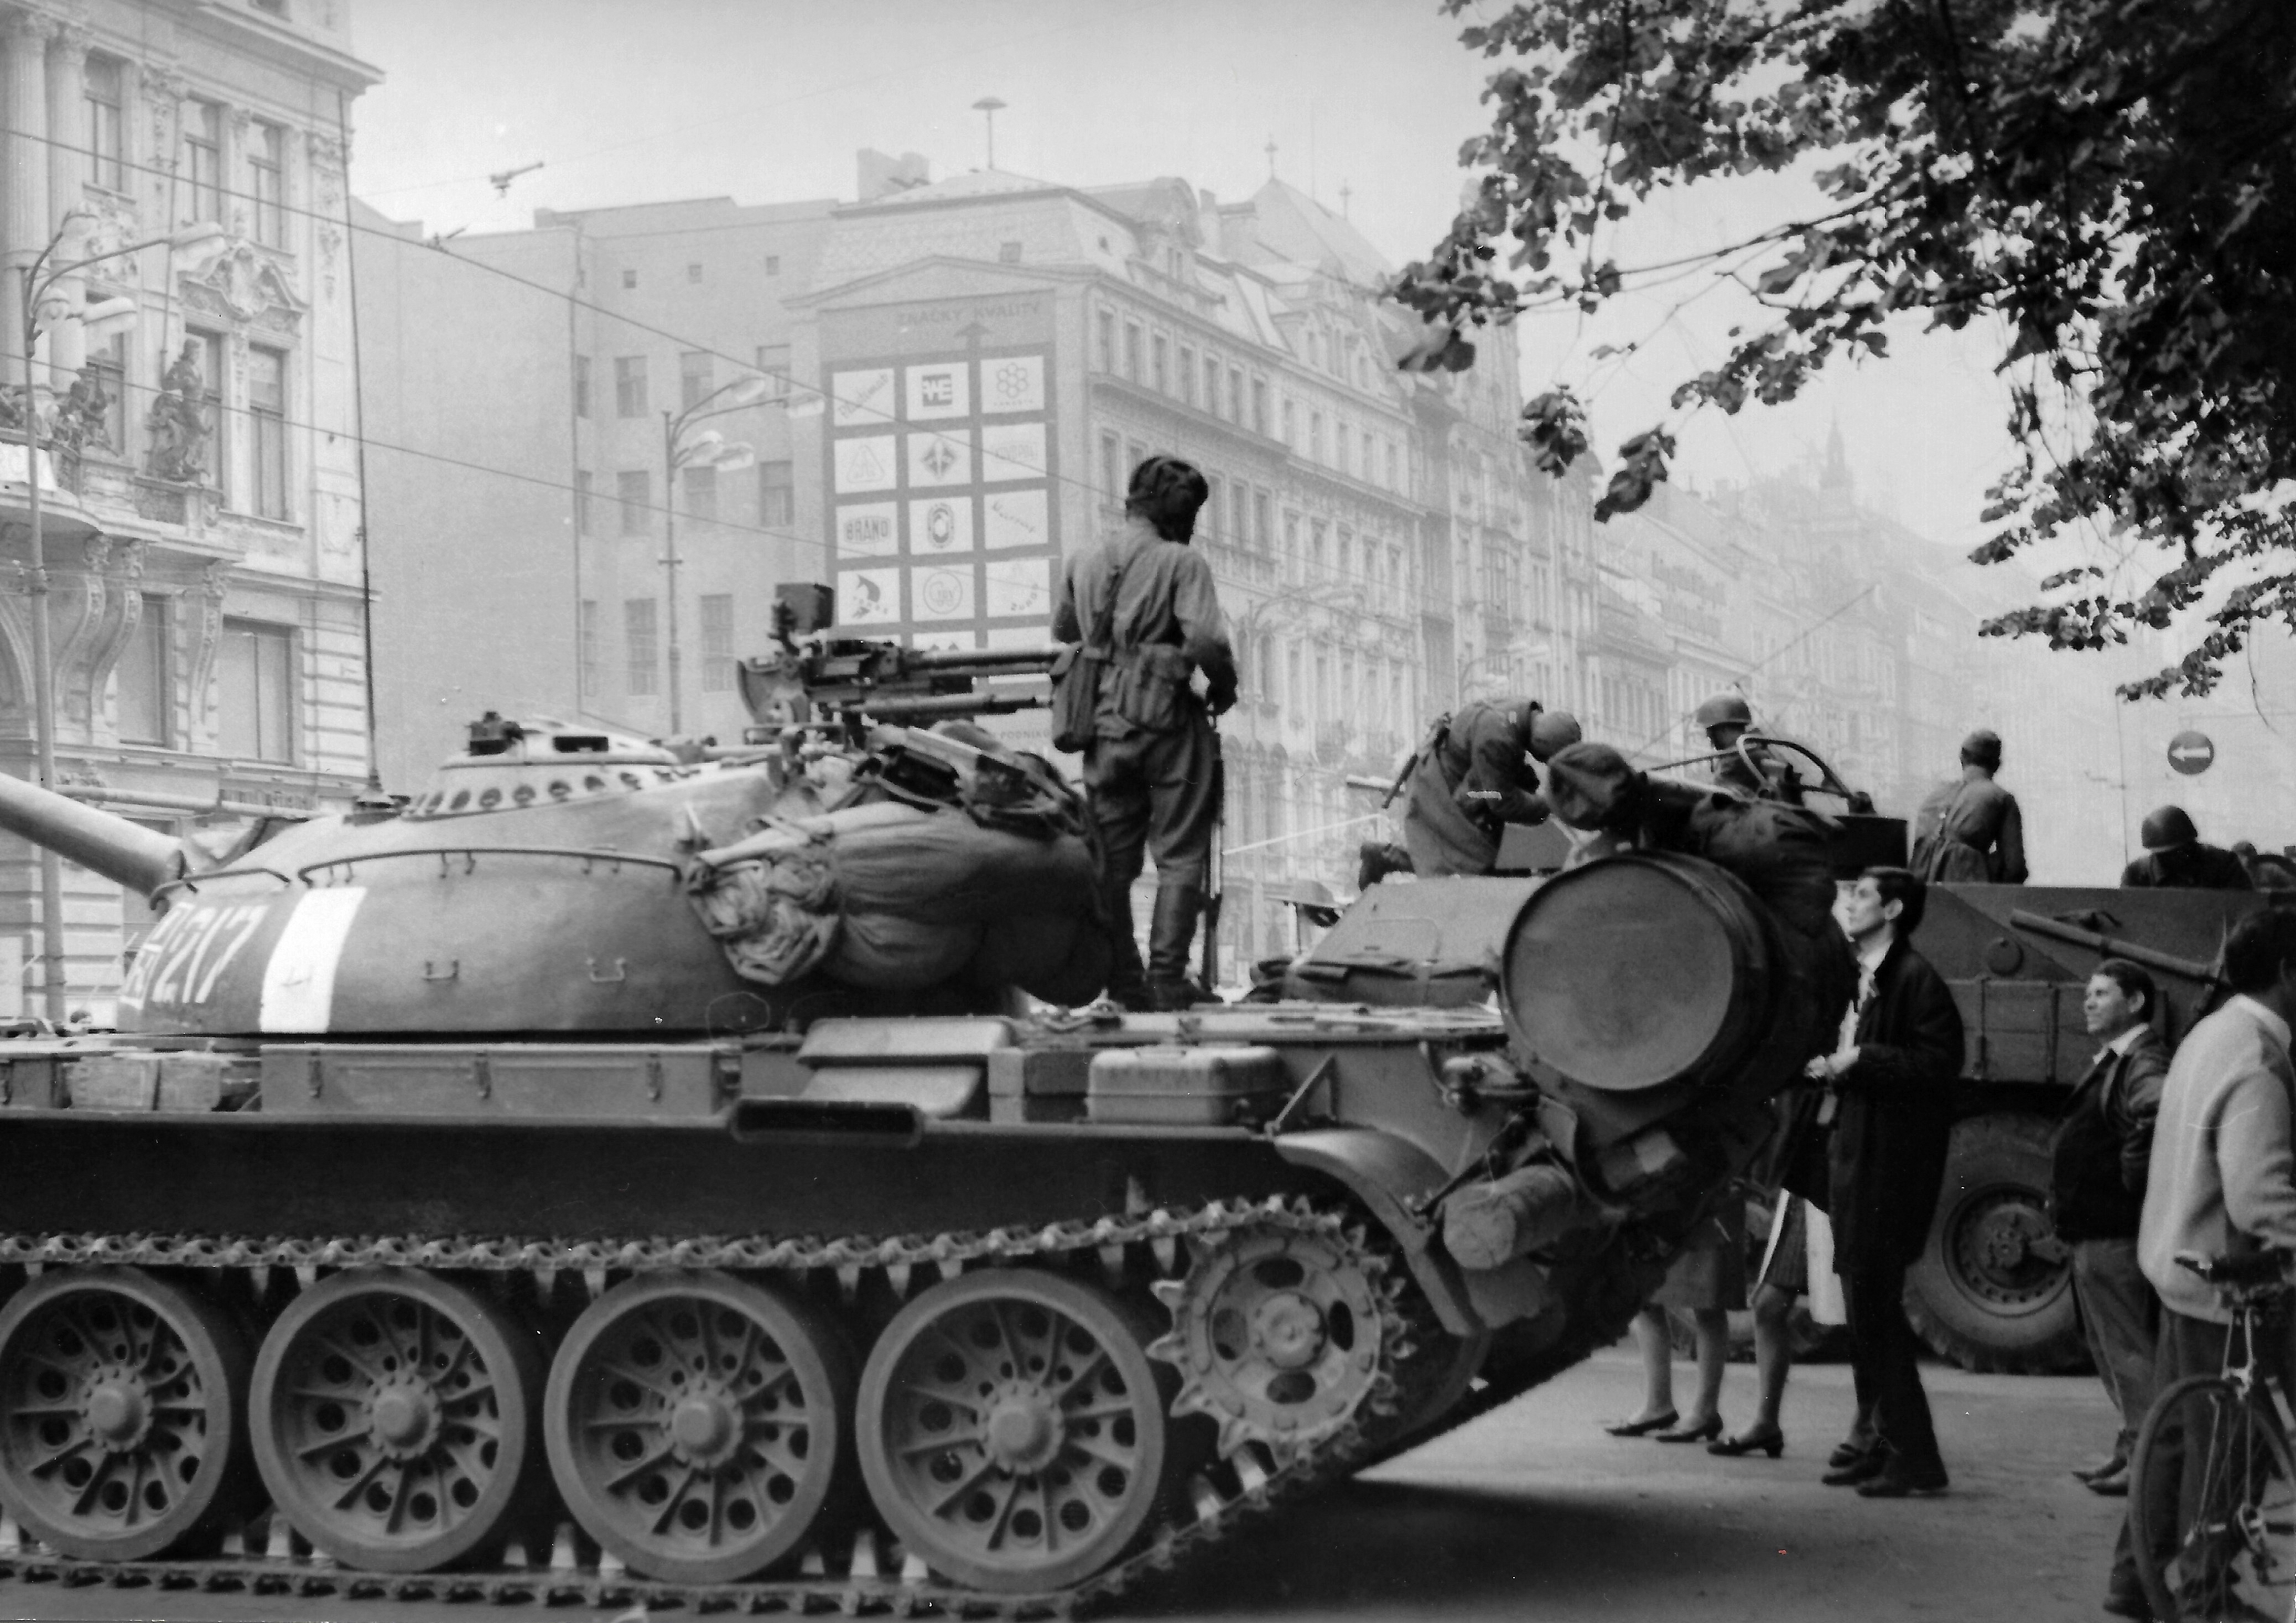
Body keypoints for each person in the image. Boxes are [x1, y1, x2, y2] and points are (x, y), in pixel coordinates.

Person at [2108, 909, 2296, 1621]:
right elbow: (2258, 1197)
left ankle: (2134, 1582)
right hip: (2230, 1286)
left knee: (2173, 1443)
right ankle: (2204, 1600)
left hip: (2179, 1267)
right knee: (2229, 1450)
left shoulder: (2211, 1032)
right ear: (2287, 973)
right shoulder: (2257, 1059)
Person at [1050, 454, 1237, 1011]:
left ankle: (1124, 982)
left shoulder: (1083, 558)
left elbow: (1064, 628)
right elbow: (1206, 640)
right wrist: (1224, 685)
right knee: (1179, 852)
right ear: (1179, 514)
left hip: (1103, 725)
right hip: (1167, 721)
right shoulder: (1181, 562)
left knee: (1111, 861)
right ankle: (1166, 979)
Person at [1810, 867, 1964, 1498]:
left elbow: (1938, 1066)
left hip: (1886, 1173)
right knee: (1864, 1314)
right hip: (1857, 1161)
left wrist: (1860, 1059)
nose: (1849, 904)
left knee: (1876, 1314)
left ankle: (1915, 1457)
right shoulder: (1867, 976)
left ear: (1894, 909)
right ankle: (1883, 1441)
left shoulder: (1916, 980)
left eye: (1863, 896)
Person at [2049, 959, 2170, 1500]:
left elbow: (2156, 1110)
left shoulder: (2143, 1058)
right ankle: (2132, 1449)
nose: (2088, 1002)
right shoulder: (2119, 1059)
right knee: (2111, 1352)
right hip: (2095, 1232)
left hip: (2113, 1233)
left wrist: (2130, 1175)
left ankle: (2148, 1464)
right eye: (2088, 993)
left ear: (2136, 1002)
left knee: (2129, 1353)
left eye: (2101, 993)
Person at [1604, 1205, 1746, 1445]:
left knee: (1708, 1300)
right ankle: (1658, 1404)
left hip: (1706, 1197)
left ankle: (1705, 1410)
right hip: (1661, 1201)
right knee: (1646, 1298)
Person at [1398, 699, 1582, 877]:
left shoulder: (1521, 716)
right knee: (1471, 864)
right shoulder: (1497, 736)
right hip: (1440, 783)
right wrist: (1551, 805)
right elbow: (1504, 802)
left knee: (1480, 858)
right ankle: (1388, 857)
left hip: (1468, 780)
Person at [1909, 729, 2027, 883]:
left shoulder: (1935, 795)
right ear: (1997, 765)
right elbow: (2014, 867)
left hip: (1921, 889)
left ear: (1962, 758)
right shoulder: (2001, 798)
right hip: (1967, 888)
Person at [1695, 692, 1801, 803]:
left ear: (1722, 729)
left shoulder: (1737, 760)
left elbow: (1713, 800)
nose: (1709, 737)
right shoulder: (1764, 750)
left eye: (1710, 732)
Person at [2121, 805, 2253, 891]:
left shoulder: (2223, 865)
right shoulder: (2137, 875)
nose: (2174, 859)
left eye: (2180, 852)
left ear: (2192, 845)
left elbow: (2244, 909)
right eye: (2166, 856)